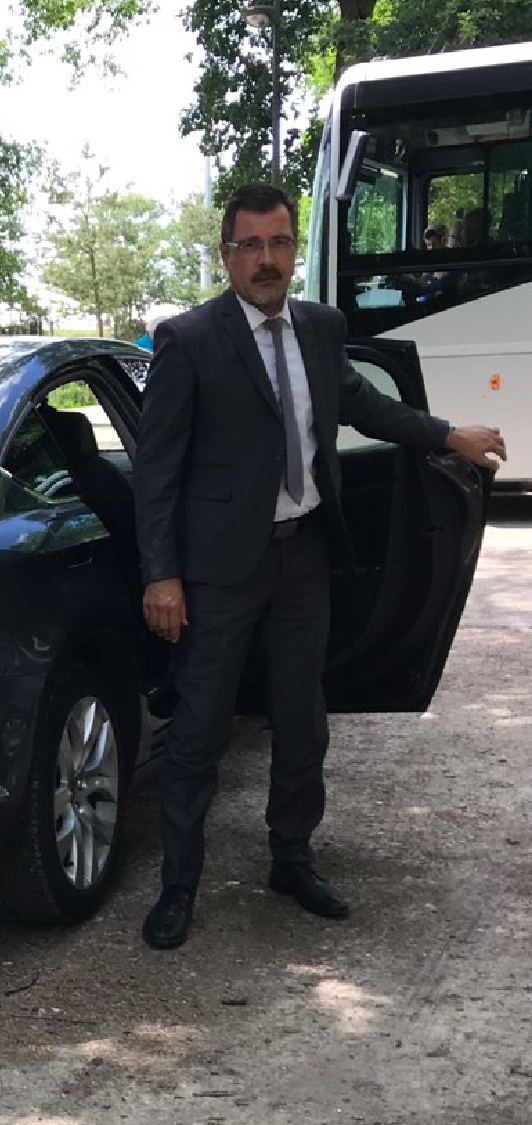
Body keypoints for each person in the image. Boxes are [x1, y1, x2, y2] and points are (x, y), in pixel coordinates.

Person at [132, 183, 506, 951]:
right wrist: (161, 575)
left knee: (303, 721)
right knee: (200, 728)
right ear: (227, 253)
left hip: (304, 555)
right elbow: (157, 471)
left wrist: (446, 435)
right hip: (218, 571)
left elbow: (365, 407)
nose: (266, 260)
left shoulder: (322, 328)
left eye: (279, 244)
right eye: (251, 246)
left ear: (293, 248)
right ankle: (179, 885)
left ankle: (292, 857)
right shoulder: (189, 339)